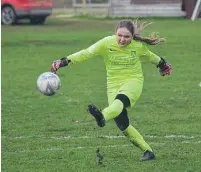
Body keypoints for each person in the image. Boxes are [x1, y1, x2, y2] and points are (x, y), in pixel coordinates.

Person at [51, 20, 172, 161]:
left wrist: (163, 65)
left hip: (133, 81)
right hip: (113, 85)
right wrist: (63, 61)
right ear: (115, 33)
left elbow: (154, 58)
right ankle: (148, 152)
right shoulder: (106, 43)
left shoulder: (138, 47)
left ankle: (102, 117)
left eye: (126, 37)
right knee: (123, 125)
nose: (122, 39)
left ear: (132, 36)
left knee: (119, 103)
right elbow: (86, 53)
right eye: (119, 35)